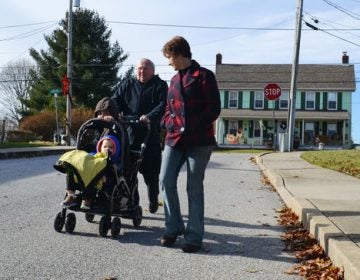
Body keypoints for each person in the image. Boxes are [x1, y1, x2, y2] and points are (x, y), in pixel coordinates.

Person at [159, 36, 221, 253]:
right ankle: (173, 227)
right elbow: (168, 110)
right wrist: (168, 123)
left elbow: (214, 109)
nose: (169, 62)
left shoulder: (204, 76)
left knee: (194, 187)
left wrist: (190, 125)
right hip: (174, 139)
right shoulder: (174, 81)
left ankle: (194, 237)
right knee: (165, 179)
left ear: (179, 54)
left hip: (199, 141)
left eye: (170, 58)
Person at [112, 58, 168, 214]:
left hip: (150, 135)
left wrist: (149, 116)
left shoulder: (160, 85)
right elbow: (115, 100)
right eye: (139, 68)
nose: (141, 71)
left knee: (151, 173)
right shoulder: (127, 84)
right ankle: (132, 203)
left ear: (152, 70)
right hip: (129, 135)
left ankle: (153, 198)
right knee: (128, 172)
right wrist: (117, 113)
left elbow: (163, 105)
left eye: (145, 68)